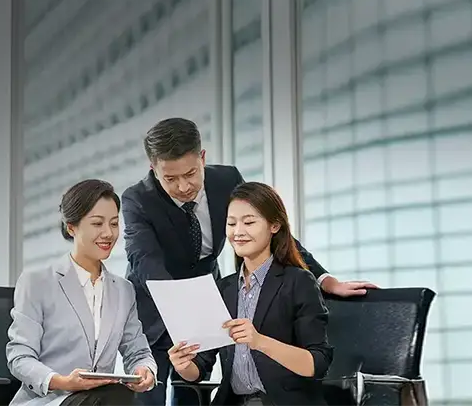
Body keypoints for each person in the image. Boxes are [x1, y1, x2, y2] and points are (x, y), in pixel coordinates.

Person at [123, 118, 375, 406]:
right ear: (153, 169)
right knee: (148, 398)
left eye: (191, 173)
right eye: (170, 178)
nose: (183, 186)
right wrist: (187, 309)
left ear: (202, 158)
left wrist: (324, 279)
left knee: (190, 394)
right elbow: (146, 262)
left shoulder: (226, 180)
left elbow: (270, 227)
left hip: (210, 293)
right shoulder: (137, 200)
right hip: (157, 308)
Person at [168, 182, 333, 406]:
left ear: (274, 225)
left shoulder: (299, 281)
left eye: (249, 222)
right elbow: (201, 365)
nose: (238, 232)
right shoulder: (224, 289)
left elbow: (318, 363)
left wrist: (259, 341)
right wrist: (184, 365)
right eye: (231, 223)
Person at [6, 179, 159, 406]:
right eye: (97, 224)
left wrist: (144, 370)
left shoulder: (124, 291)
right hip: (50, 401)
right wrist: (63, 381)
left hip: (102, 400)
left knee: (119, 396)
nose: (108, 233)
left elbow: (138, 351)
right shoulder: (37, 282)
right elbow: (19, 357)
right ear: (72, 227)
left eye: (114, 223)